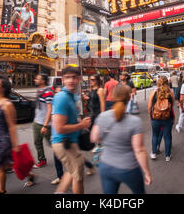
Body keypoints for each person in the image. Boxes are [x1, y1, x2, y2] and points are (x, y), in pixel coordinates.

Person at [90, 84, 152, 194]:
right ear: (129, 98)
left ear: (112, 97)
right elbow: (139, 150)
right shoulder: (134, 121)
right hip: (129, 168)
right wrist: (147, 172)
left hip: (106, 166)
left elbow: (94, 138)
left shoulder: (102, 116)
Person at [51, 65, 91, 194]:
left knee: (73, 171)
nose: (71, 81)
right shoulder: (62, 97)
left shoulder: (72, 96)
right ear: (62, 80)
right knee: (78, 177)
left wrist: (80, 122)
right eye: (67, 78)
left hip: (70, 142)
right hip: (63, 142)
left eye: (74, 77)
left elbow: (72, 118)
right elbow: (59, 128)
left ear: (79, 79)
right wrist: (81, 125)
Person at [148, 76, 175, 161]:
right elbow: (172, 106)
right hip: (167, 118)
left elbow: (149, 107)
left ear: (158, 83)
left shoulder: (154, 92)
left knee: (155, 135)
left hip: (155, 118)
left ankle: (153, 153)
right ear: (167, 83)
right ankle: (167, 156)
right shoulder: (170, 93)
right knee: (167, 137)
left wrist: (150, 116)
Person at [32, 74, 54, 169]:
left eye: (37, 78)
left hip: (45, 123)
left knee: (53, 144)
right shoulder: (39, 90)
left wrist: (45, 125)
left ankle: (66, 155)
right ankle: (42, 160)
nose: (35, 80)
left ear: (43, 81)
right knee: (37, 142)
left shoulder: (48, 92)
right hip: (37, 122)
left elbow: (50, 109)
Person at [175, 68, 184, 133]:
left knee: (182, 115)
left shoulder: (180, 85)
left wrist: (179, 103)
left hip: (182, 102)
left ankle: (179, 126)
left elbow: (177, 95)